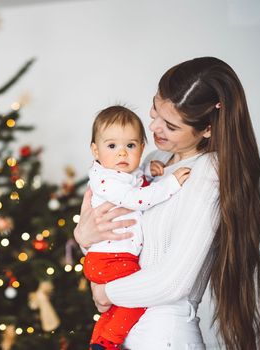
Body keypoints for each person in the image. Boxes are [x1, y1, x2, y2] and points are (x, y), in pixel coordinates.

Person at [74, 57, 260, 350]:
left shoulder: (207, 178)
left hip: (162, 336)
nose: (153, 127)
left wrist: (105, 292)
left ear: (207, 129)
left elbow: (172, 283)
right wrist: (84, 238)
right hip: (128, 331)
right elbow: (119, 235)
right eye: (155, 108)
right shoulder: (153, 161)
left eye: (171, 125)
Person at [84, 105, 190, 349]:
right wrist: (169, 183)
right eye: (112, 146)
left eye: (130, 146)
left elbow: (137, 186)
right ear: (95, 150)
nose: (122, 153)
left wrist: (150, 175)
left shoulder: (125, 175)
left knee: (122, 303)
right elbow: (137, 199)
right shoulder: (105, 180)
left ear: (142, 147)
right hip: (109, 259)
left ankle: (98, 341)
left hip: (113, 257)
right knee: (136, 297)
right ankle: (108, 341)